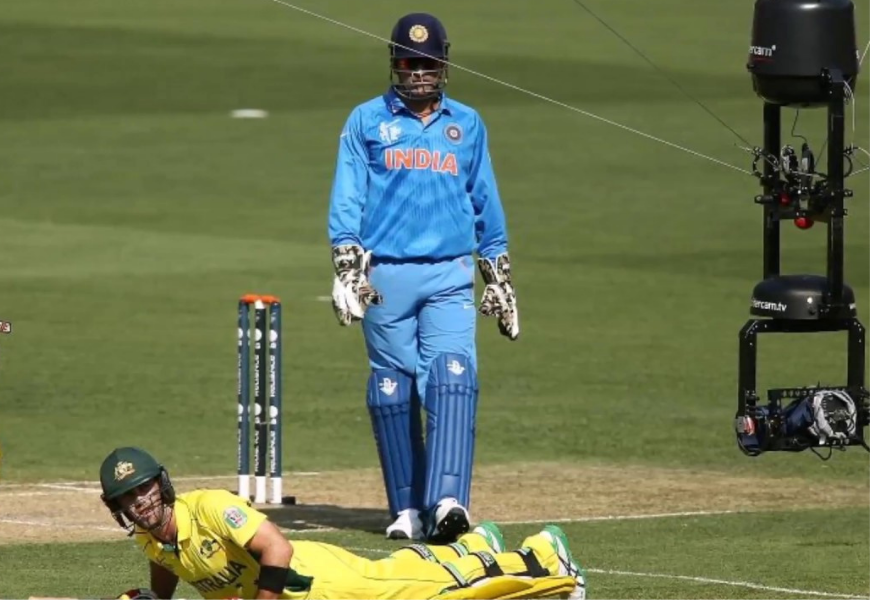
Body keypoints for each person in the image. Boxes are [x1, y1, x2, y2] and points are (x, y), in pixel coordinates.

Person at [327, 12, 520, 543]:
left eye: (428, 63)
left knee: (453, 374)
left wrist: (498, 272)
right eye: (409, 63)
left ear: (444, 65)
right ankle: (407, 509)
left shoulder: (468, 124)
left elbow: (486, 200)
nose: (418, 73)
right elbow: (348, 194)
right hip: (385, 275)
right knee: (392, 389)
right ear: (394, 63)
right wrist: (346, 262)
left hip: (451, 273)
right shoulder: (367, 121)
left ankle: (449, 501)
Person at [98, 447, 586, 600]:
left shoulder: (208, 508)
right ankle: (475, 545)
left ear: (161, 485)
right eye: (128, 497)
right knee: (409, 570)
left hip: (317, 583)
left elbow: (278, 551)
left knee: (432, 594)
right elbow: (167, 567)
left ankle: (542, 555)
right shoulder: (148, 538)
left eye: (143, 489)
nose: (140, 502)